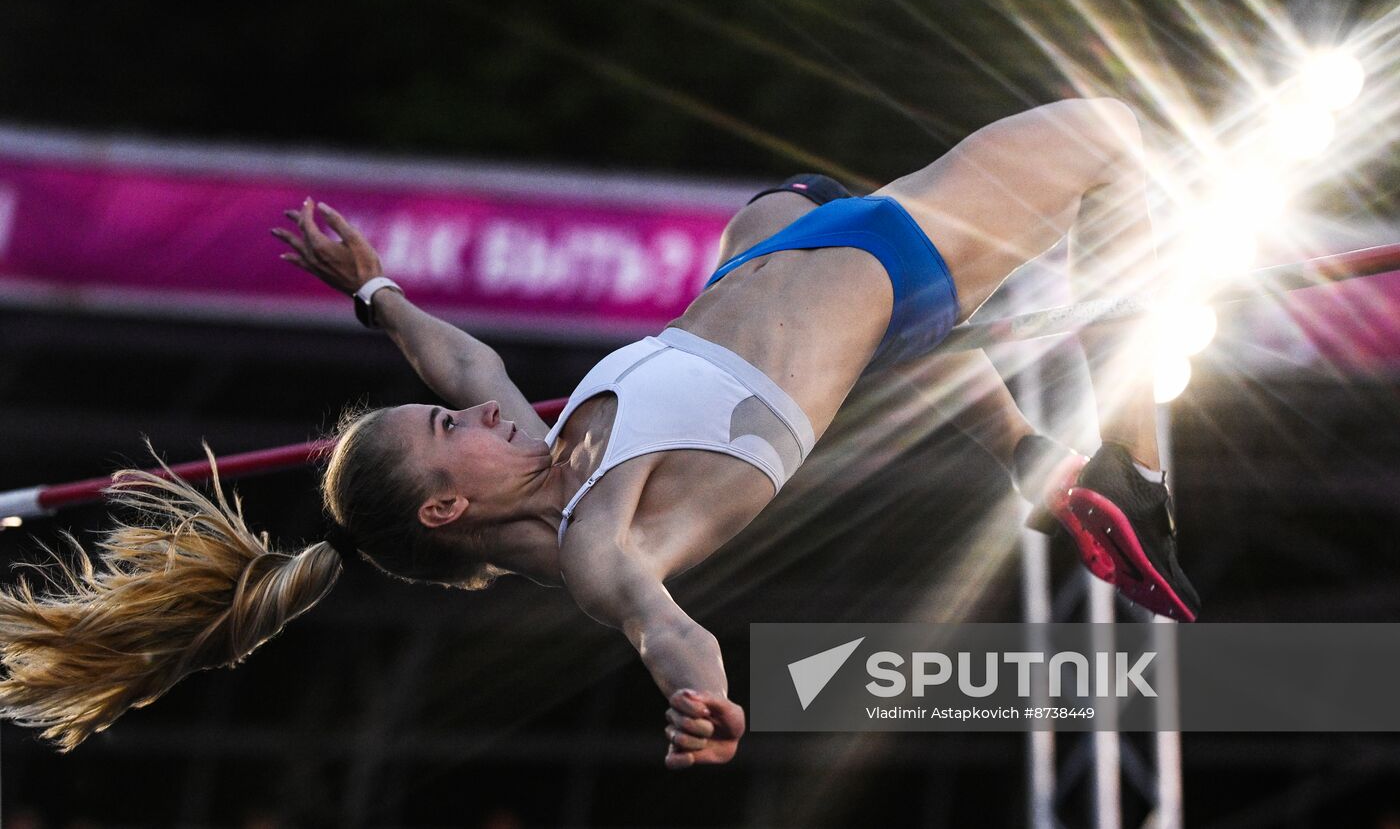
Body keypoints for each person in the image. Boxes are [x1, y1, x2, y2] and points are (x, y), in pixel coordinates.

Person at [0, 99, 1197, 767]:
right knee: (1117, 134)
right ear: (444, 507)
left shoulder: (541, 450)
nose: (476, 410)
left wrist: (372, 293)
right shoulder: (597, 542)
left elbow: (459, 359)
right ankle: (1132, 469)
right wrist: (701, 706)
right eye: (445, 432)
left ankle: (1033, 468)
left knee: (775, 200)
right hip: (898, 271)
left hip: (794, 264)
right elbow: (663, 630)